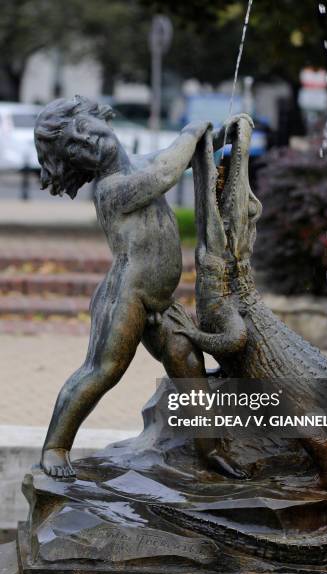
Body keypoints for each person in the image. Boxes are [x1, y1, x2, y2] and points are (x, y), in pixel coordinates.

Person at [35, 95, 246, 479]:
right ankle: (56, 445)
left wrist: (205, 143)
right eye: (74, 146)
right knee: (104, 369)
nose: (87, 141)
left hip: (163, 303)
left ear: (101, 118)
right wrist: (190, 132)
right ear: (75, 162)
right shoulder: (111, 188)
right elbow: (166, 172)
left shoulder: (137, 164)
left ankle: (210, 447)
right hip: (126, 296)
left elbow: (167, 158)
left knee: (188, 365)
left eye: (83, 127)